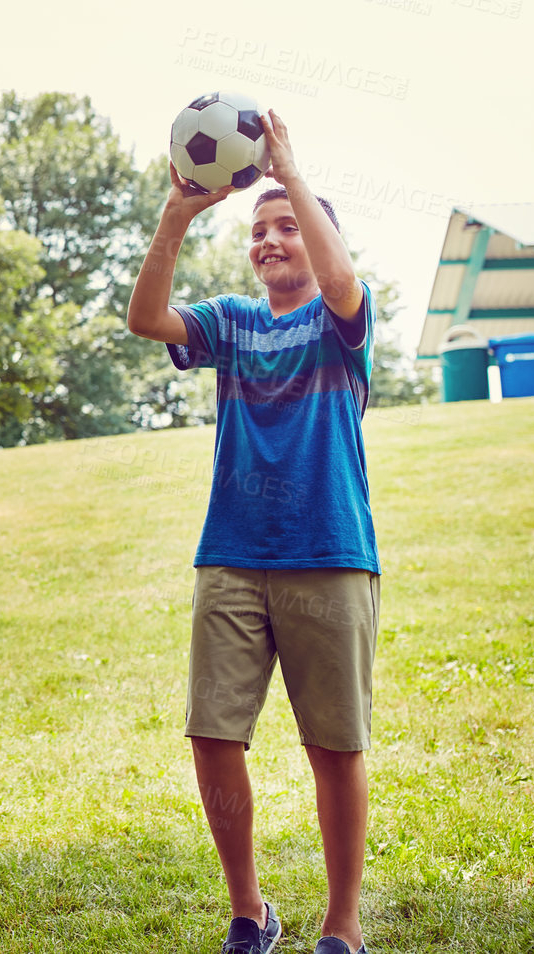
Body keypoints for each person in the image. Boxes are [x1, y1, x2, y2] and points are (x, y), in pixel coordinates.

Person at [126, 111, 379, 954]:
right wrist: (177, 214)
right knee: (212, 734)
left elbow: (341, 280)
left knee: (334, 747)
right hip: (232, 558)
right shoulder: (232, 323)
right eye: (258, 231)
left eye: (286, 229)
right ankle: (250, 913)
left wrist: (290, 174)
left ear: (313, 237)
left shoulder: (343, 322)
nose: (269, 241)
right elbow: (146, 319)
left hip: (330, 556)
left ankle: (341, 926)